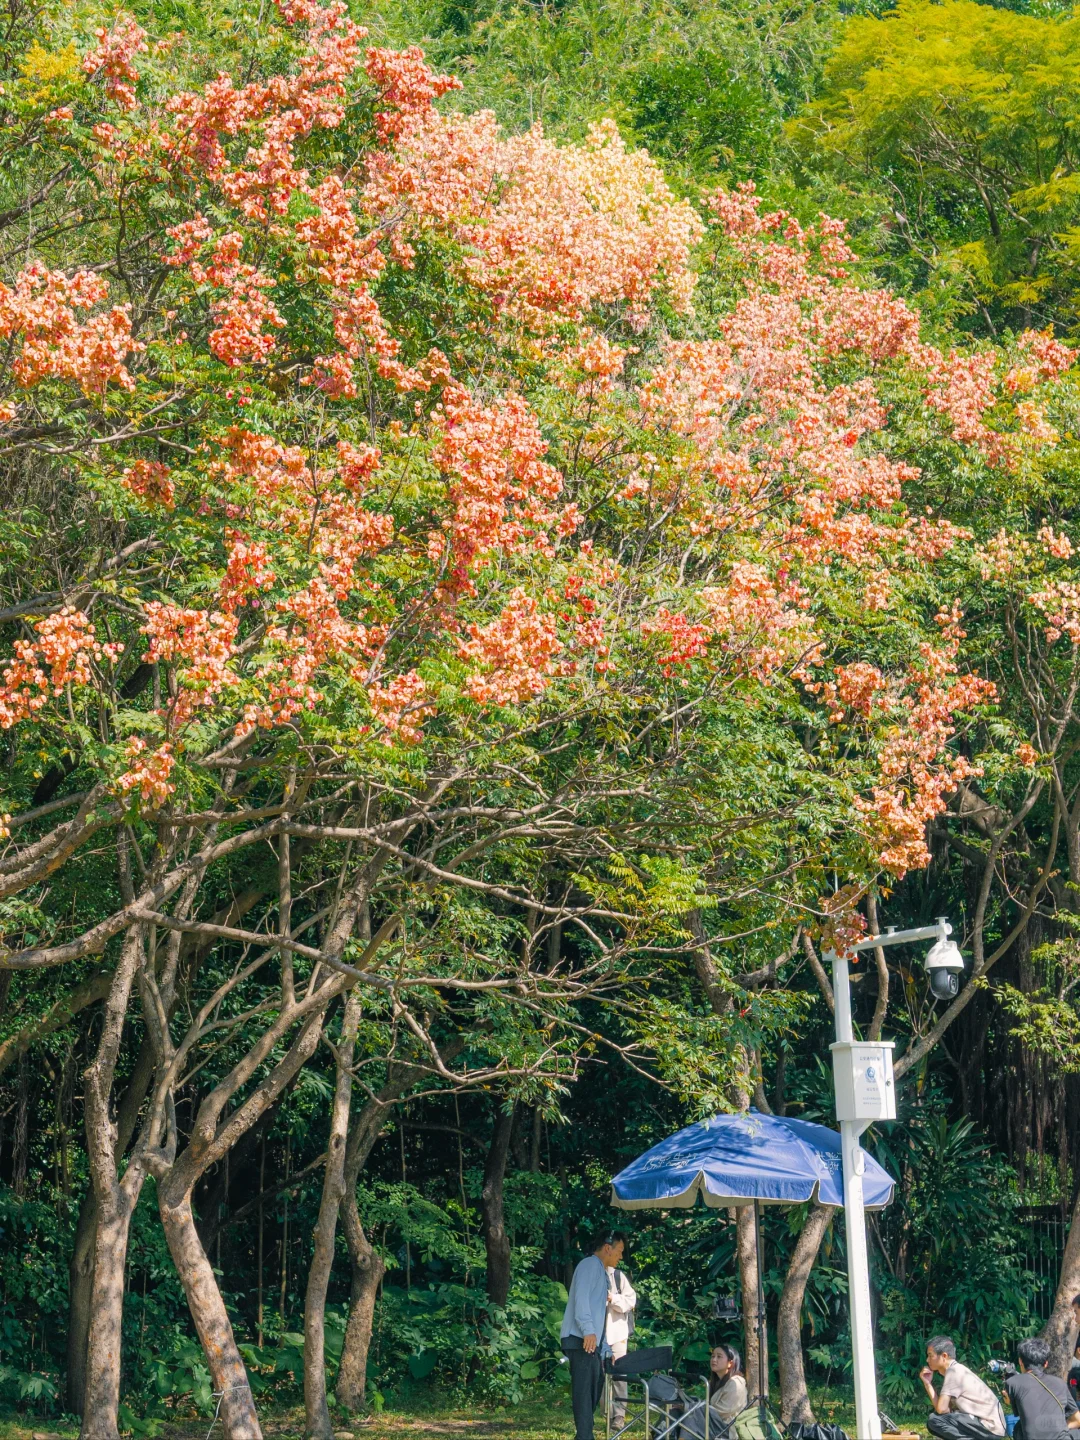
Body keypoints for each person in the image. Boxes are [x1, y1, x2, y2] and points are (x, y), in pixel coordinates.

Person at [561, 1232, 627, 1440]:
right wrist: (588, 1330)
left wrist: (605, 1348)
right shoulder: (589, 1265)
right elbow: (581, 1301)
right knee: (584, 1398)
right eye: (620, 1251)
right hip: (580, 1339)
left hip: (592, 1342)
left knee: (591, 1395)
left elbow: (600, 1316)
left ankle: (584, 1435)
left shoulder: (602, 1272)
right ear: (608, 1248)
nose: (621, 1257)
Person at [921, 1335, 1006, 1440]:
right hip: (990, 1427)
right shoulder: (956, 1370)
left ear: (944, 1356)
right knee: (937, 1420)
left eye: (930, 1355)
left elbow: (941, 1410)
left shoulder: (954, 1371)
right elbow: (945, 1411)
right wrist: (927, 1384)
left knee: (934, 1420)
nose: (927, 1360)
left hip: (990, 1426)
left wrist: (928, 1385)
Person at [1003, 1336, 1080, 1440]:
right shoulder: (1060, 1383)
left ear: (1020, 1361)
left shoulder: (1012, 1383)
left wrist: (1008, 1399)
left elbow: (1016, 1409)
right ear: (1046, 1363)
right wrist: (1061, 1428)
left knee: (1018, 1428)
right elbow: (1077, 1420)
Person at [605, 1250, 637, 1433]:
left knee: (619, 1376)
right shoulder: (592, 1274)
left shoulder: (617, 1275)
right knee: (600, 1376)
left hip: (617, 1333)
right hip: (596, 1334)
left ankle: (619, 1415)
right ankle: (605, 1412)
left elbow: (630, 1301)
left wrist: (612, 1298)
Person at [709, 1344, 748, 1429]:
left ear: (730, 1363)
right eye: (713, 1356)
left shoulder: (736, 1382)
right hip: (713, 1425)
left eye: (719, 1357)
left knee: (691, 1420)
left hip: (727, 1430)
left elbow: (723, 1411)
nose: (714, 1360)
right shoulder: (715, 1383)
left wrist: (694, 1410)